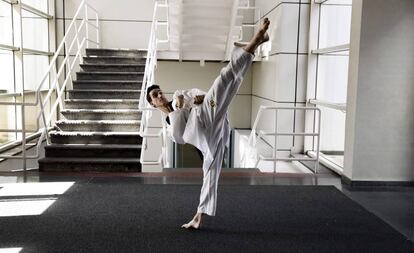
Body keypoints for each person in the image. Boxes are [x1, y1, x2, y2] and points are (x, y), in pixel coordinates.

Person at [146, 18, 270, 229]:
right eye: (155, 96)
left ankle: (256, 40)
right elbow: (180, 136)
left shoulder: (179, 94)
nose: (159, 95)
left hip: (207, 115)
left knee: (223, 82)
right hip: (205, 136)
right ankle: (198, 216)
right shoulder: (168, 126)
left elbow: (202, 95)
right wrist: (182, 107)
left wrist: (194, 100)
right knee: (210, 173)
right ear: (152, 104)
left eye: (159, 92)